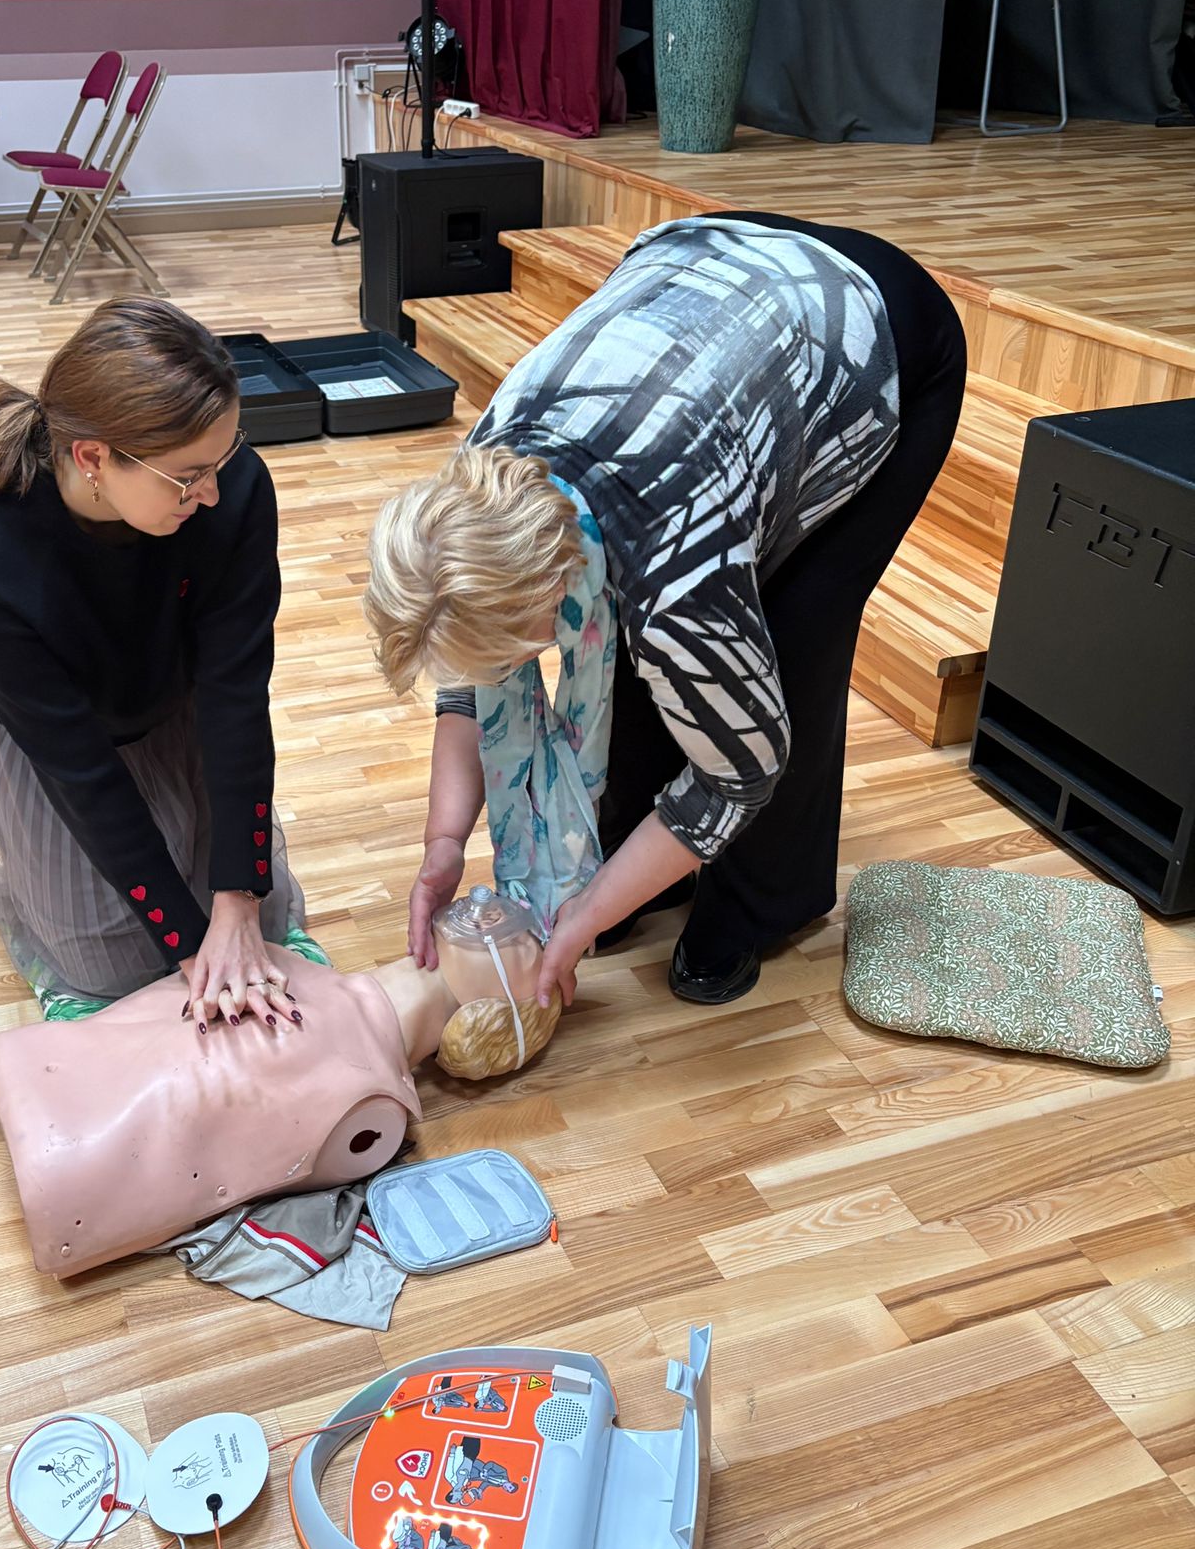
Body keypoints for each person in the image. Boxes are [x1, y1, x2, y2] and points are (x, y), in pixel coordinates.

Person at [364, 211, 967, 1011]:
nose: (500, 667)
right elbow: (471, 679)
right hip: (714, 301)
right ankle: (643, 869)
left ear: (551, 590)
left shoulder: (674, 576)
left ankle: (754, 906)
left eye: (514, 647)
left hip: (874, 334)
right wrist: (443, 846)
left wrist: (584, 919)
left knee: (792, 641)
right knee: (651, 653)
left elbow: (742, 769)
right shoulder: (474, 491)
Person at [0, 296, 310, 1026]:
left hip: (178, 700)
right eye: (189, 475)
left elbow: (235, 691)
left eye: (223, 458)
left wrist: (237, 900)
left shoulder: (231, 488)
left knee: (257, 923)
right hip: (64, 741)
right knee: (114, 964)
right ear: (93, 458)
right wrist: (188, 947)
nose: (212, 491)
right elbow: (78, 768)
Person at [0, 886, 561, 1277]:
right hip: (64, 1156)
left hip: (60, 1141)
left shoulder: (362, 1092)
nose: (492, 917)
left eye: (518, 950)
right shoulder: (371, 1107)